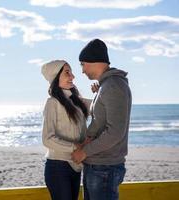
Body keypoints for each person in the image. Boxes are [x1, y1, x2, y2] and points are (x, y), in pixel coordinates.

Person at [71, 39, 132, 200]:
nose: (82, 70)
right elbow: (100, 121)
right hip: (99, 166)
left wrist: (84, 152)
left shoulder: (113, 86)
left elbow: (114, 132)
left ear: (94, 62)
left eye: (83, 64)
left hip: (105, 168)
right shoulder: (106, 86)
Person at [41, 60, 90, 200]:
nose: (73, 76)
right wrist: (75, 147)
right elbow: (47, 139)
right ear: (56, 77)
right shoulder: (52, 103)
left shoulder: (77, 101)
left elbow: (98, 106)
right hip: (58, 167)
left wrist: (100, 92)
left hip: (76, 166)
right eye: (67, 73)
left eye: (71, 72)